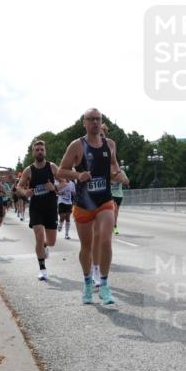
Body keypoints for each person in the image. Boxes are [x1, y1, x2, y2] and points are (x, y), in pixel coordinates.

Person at [58, 108, 126, 305]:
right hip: (84, 203)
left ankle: (104, 284)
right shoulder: (76, 146)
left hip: (105, 200)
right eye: (91, 119)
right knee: (86, 247)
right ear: (84, 123)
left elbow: (113, 165)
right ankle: (88, 281)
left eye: (98, 119)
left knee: (105, 240)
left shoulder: (110, 144)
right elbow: (62, 170)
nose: (95, 122)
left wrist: (117, 173)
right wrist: (78, 175)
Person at [17, 140, 60, 280]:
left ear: (45, 151)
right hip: (36, 207)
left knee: (51, 241)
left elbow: (65, 182)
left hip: (51, 207)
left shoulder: (52, 167)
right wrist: (25, 193)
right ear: (33, 152)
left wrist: (54, 188)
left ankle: (45, 247)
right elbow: (19, 187)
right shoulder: (29, 170)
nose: (40, 152)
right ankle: (42, 269)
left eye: (42, 149)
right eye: (37, 150)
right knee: (39, 236)